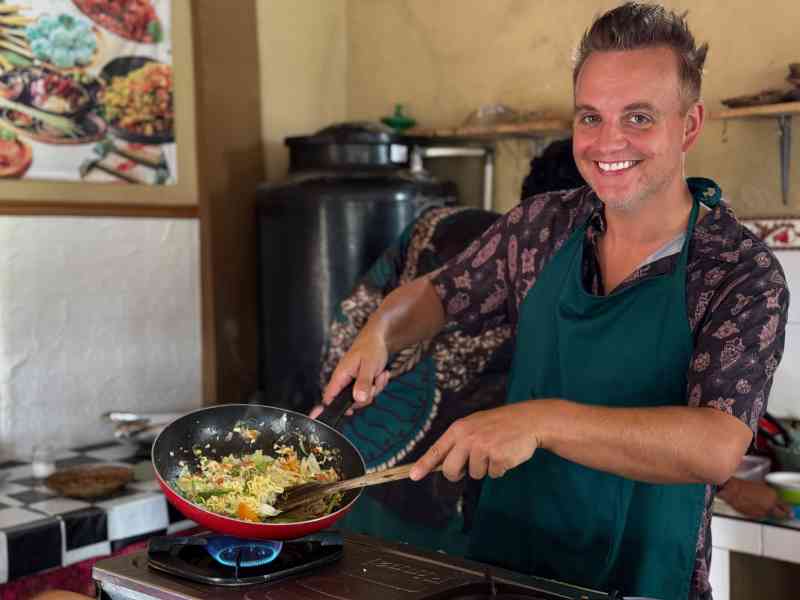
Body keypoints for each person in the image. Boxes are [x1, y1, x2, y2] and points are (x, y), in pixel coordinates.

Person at [316, 3, 789, 600]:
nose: (608, 141)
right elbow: (439, 294)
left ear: (690, 126)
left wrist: (540, 421)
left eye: (639, 117)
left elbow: (717, 446)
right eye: (591, 117)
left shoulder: (737, 271)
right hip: (511, 570)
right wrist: (382, 330)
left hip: (643, 578)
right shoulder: (541, 228)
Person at [316, 205, 513, 555]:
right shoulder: (526, 246)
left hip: (362, 475)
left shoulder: (436, 221)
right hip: (436, 501)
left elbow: (356, 316)